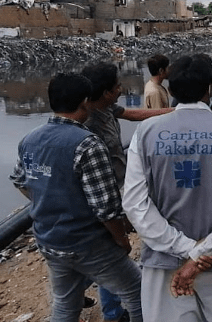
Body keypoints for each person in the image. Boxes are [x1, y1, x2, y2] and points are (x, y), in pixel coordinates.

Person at [122, 54, 212, 322]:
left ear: (171, 90)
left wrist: (183, 247)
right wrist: (202, 252)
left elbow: (135, 205)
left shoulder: (145, 132)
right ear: (210, 89)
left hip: (165, 262)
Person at [9, 73, 142, 322]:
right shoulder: (88, 145)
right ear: (84, 103)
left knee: (65, 303)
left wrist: (50, 202)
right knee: (137, 291)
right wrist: (122, 239)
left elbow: (20, 181)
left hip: (50, 240)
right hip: (89, 243)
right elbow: (106, 208)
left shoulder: (30, 140)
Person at [81, 62, 172, 322]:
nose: (121, 89)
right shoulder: (86, 121)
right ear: (106, 91)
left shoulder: (107, 107)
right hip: (101, 195)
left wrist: (176, 111)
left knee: (108, 253)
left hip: (117, 188)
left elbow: (134, 115)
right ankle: (111, 311)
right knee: (112, 252)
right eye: (117, 86)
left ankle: (92, 297)